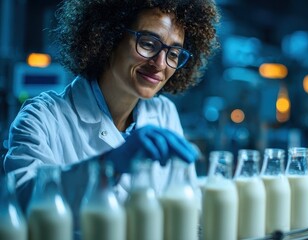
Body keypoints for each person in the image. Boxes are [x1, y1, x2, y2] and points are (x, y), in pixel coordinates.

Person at [3, 0, 219, 223]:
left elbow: (185, 209)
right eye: (147, 43)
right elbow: (23, 205)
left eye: (173, 54)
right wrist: (107, 166)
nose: (160, 64)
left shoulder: (164, 113)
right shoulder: (41, 118)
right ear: (109, 36)